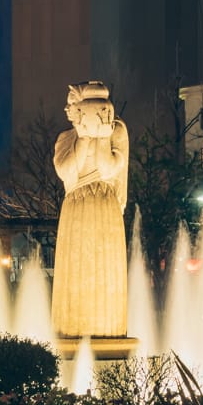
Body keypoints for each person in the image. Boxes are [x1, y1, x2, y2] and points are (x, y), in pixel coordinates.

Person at [50, 81, 128, 338]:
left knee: (106, 272)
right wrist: (83, 139)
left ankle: (108, 334)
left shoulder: (116, 133)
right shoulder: (65, 138)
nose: (67, 108)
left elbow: (108, 169)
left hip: (105, 205)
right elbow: (66, 171)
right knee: (75, 271)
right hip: (76, 207)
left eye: (73, 103)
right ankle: (71, 332)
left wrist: (102, 136)